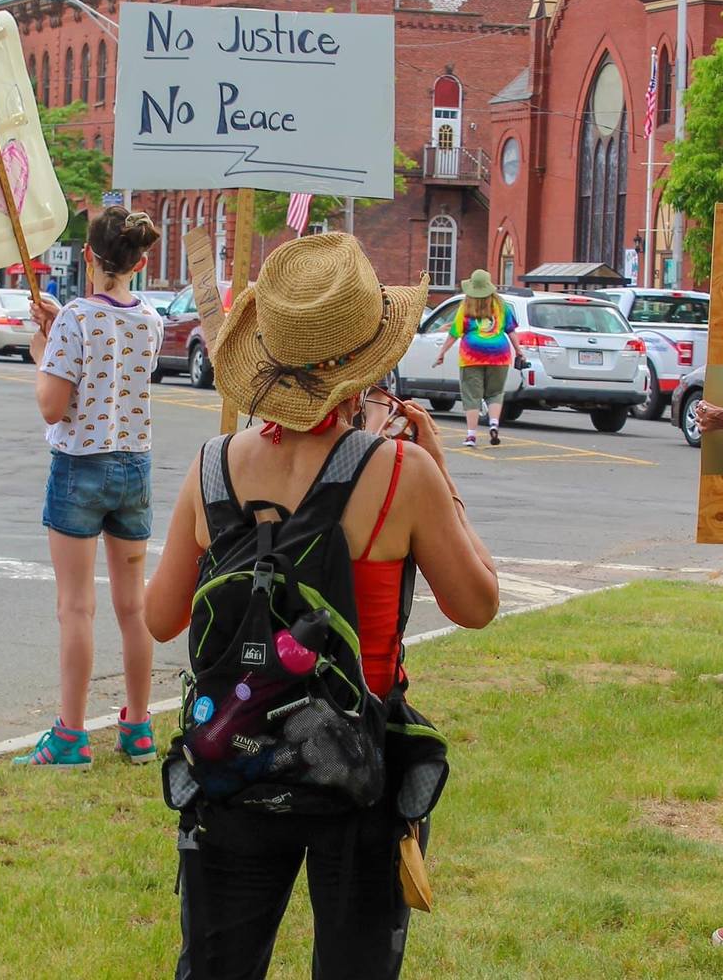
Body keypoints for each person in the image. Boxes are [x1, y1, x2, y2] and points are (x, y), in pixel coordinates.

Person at [145, 233, 500, 979]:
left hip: (236, 760)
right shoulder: (401, 472)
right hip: (357, 766)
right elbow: (477, 604)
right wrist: (441, 472)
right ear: (362, 365)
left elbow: (159, 618)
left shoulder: (213, 465)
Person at [13, 207, 163, 769]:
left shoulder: (75, 318)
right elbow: (111, 368)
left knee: (76, 606)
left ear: (86, 257)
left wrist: (43, 350)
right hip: (135, 466)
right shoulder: (148, 320)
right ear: (140, 262)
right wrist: (55, 332)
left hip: (80, 467)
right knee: (134, 606)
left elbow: (54, 403)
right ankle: (139, 727)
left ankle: (71, 735)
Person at [432, 268, 525, 448]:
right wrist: (519, 351)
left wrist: (442, 353)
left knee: (471, 395)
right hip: (499, 354)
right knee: (496, 393)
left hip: (471, 355)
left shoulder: (465, 307)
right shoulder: (501, 306)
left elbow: (454, 333)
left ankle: (471, 435)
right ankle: (494, 424)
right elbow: (511, 331)